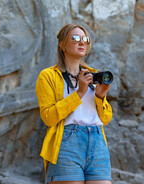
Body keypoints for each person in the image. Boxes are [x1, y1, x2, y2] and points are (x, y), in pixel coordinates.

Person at [35, 24, 113, 184]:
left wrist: (100, 97)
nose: (82, 42)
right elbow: (48, 118)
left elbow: (105, 119)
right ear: (62, 44)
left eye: (85, 39)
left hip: (98, 142)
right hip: (67, 143)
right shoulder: (48, 76)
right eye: (75, 38)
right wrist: (79, 93)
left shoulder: (93, 75)